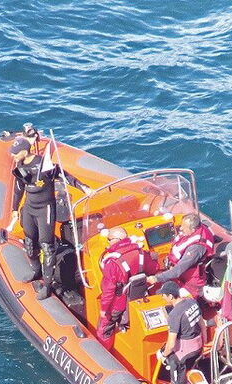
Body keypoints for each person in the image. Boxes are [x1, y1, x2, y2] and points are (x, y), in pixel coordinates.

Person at [11, 135, 92, 300]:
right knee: (29, 243)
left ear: (24, 152)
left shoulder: (44, 166)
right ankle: (36, 271)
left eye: (15, 153)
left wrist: (84, 188)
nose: (12, 155)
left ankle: (47, 286)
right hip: (29, 208)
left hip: (45, 209)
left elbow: (65, 176)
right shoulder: (20, 164)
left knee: (47, 247)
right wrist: (14, 208)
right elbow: (19, 187)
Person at [96, 227, 158, 348]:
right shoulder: (141, 253)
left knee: (105, 326)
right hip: (140, 296)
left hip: (119, 303)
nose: (108, 242)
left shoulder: (112, 262)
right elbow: (154, 268)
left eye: (109, 239)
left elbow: (108, 291)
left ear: (116, 240)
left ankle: (104, 350)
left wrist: (104, 309)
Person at [155, 282, 204, 384]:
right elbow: (202, 323)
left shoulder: (174, 315)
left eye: (164, 295)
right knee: (181, 380)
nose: (162, 297)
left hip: (183, 353)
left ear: (171, 296)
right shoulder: (191, 302)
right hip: (197, 346)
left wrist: (162, 355)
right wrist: (204, 341)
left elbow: (170, 344)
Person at [146, 213, 215, 299]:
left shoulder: (196, 249)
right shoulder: (197, 231)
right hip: (181, 274)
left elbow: (178, 270)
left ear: (193, 230)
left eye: (184, 227)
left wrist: (157, 278)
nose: (181, 228)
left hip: (191, 282)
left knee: (167, 296)